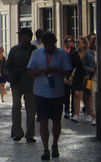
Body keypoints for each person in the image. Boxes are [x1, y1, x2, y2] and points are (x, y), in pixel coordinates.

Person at [27, 31, 72, 160]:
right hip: (41, 93)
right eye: (47, 45)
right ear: (44, 43)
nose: (49, 48)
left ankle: (55, 144)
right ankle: (45, 148)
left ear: (54, 44)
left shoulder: (62, 54)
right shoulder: (36, 54)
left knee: (56, 121)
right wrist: (41, 71)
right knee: (43, 121)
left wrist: (57, 71)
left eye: (51, 45)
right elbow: (30, 72)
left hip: (57, 93)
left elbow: (68, 71)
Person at [4, 28, 37, 142]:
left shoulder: (34, 50)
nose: (21, 38)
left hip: (30, 83)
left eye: (23, 36)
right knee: (16, 106)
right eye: (20, 36)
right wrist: (8, 75)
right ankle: (17, 132)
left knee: (31, 109)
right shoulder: (14, 50)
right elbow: (7, 66)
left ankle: (30, 134)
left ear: (28, 38)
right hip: (16, 83)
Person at [67, 36, 95, 123]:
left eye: (79, 42)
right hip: (78, 76)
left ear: (84, 44)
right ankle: (76, 114)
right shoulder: (74, 54)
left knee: (87, 95)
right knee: (76, 94)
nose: (77, 44)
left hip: (87, 76)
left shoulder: (89, 53)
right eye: (76, 43)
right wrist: (67, 77)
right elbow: (71, 67)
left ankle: (90, 114)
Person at [61, 35, 75, 118]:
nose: (69, 43)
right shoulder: (62, 52)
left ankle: (73, 111)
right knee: (66, 94)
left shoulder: (75, 52)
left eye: (70, 41)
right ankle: (66, 111)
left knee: (74, 94)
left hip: (73, 75)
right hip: (65, 75)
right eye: (67, 41)